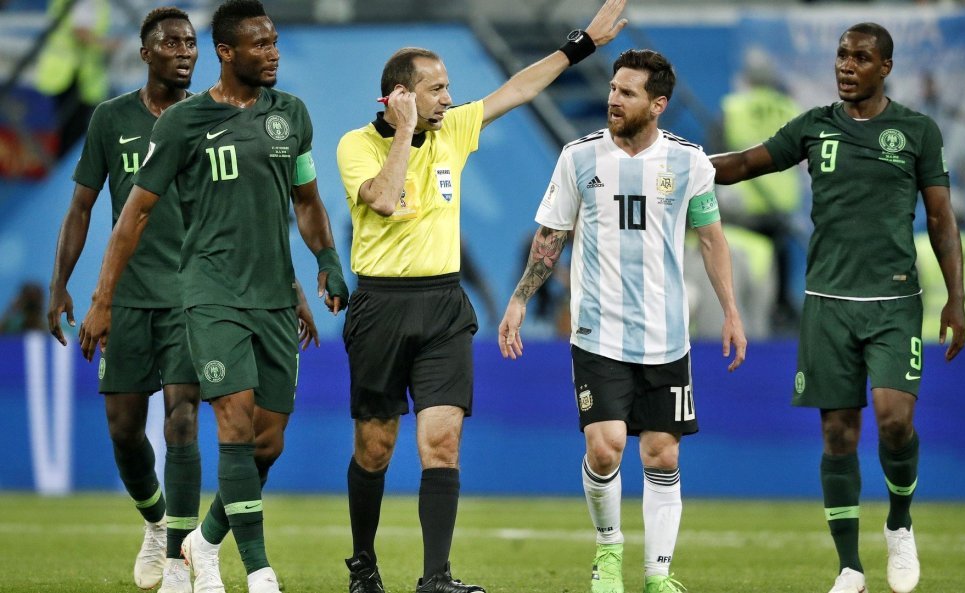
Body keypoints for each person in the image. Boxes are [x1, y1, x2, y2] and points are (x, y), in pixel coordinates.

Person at [335, 2, 627, 591]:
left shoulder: (455, 129)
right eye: (436, 89)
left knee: (442, 441)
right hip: (381, 306)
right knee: (376, 446)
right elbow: (385, 199)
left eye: (448, 88)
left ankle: (436, 577)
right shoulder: (356, 146)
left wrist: (582, 45)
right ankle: (363, 563)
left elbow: (519, 88)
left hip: (444, 304)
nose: (449, 98)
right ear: (401, 96)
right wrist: (405, 131)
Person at [77, 2, 349, 592]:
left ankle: (202, 540)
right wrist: (101, 299)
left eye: (275, 42)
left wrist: (327, 261)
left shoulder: (291, 116)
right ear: (227, 52)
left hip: (273, 297)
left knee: (267, 442)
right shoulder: (184, 123)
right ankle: (258, 571)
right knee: (232, 421)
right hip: (208, 294)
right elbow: (133, 216)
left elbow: (306, 200)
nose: (273, 53)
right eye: (260, 44)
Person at [709, 22, 965, 593]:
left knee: (895, 421)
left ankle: (899, 523)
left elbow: (941, 218)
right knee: (838, 436)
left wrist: (956, 298)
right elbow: (747, 163)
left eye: (861, 58)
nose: (847, 66)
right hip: (828, 304)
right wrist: (678, 163)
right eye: (842, 55)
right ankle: (850, 567)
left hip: (894, 302)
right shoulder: (815, 126)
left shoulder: (917, 131)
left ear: (886, 67)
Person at [499, 49, 746, 593]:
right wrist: (519, 300)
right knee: (606, 443)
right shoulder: (579, 157)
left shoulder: (689, 162)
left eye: (627, 92)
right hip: (598, 332)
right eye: (613, 88)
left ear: (658, 104)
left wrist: (731, 310)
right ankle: (608, 549)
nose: (613, 98)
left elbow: (711, 239)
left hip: (666, 336)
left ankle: (658, 575)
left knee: (662, 452)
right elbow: (551, 236)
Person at [47, 8, 200, 592]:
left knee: (182, 420)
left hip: (191, 296)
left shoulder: (210, 118)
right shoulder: (111, 118)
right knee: (124, 429)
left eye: (190, 42)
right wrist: (61, 284)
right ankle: (156, 522)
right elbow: (82, 206)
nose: (184, 52)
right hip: (128, 297)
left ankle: (183, 556)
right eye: (171, 43)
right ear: (145, 53)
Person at [718, 48, 804, 331]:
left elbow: (718, 155)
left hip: (745, 203)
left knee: (744, 264)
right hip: (781, 202)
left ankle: (742, 314)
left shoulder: (734, 107)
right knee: (777, 260)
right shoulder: (789, 107)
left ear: (747, 79)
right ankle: (779, 309)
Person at [35, 0, 113, 157]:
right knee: (72, 133)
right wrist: (109, 45)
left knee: (72, 132)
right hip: (69, 75)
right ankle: (68, 167)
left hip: (76, 76)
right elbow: (80, 32)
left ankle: (67, 164)